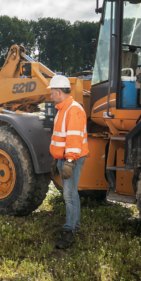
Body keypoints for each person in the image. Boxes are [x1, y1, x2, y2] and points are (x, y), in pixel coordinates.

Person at [48, 75, 89, 249]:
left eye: (52, 92)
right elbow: (61, 138)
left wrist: (69, 161)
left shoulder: (73, 110)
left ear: (58, 92)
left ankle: (69, 231)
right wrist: (56, 158)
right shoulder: (62, 110)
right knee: (71, 195)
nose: (50, 96)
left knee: (69, 196)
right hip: (64, 158)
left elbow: (74, 139)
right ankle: (74, 225)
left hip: (71, 159)